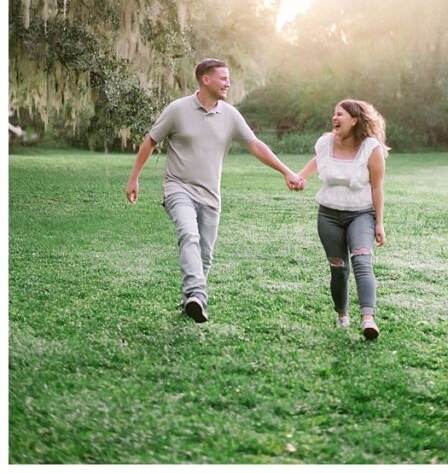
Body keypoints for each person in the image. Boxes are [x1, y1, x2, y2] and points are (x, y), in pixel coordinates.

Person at [125, 58, 304, 323]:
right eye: (223, 78)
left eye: (229, 78)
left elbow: (255, 145)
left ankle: (190, 302)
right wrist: (134, 179)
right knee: (189, 235)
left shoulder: (230, 114)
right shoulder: (177, 110)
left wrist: (286, 171)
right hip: (178, 188)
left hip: (210, 195)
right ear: (205, 79)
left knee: (205, 254)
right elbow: (149, 142)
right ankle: (198, 294)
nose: (228, 83)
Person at [296, 99, 388, 340]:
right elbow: (319, 160)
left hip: (361, 214)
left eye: (340, 115)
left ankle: (368, 319)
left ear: (355, 120)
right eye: (334, 114)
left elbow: (377, 188)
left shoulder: (371, 148)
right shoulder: (325, 142)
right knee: (338, 269)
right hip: (328, 214)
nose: (334, 118)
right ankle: (342, 315)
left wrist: (379, 223)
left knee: (362, 261)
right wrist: (301, 176)